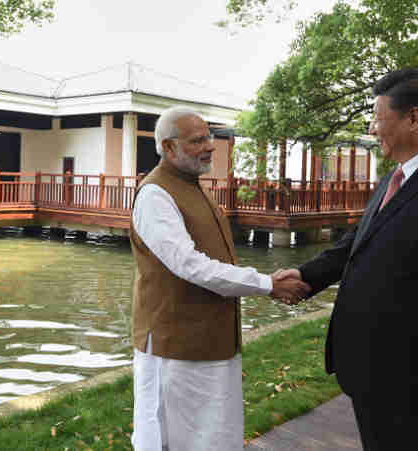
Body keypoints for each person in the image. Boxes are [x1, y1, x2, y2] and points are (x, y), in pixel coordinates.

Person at [277, 68, 418, 450]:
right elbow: (358, 243)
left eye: (378, 118)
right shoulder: (398, 176)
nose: (372, 129)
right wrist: (305, 275)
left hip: (416, 386)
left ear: (413, 118)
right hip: (374, 375)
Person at [130, 106, 311, 451]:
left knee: (214, 436)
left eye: (209, 137)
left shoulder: (192, 186)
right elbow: (189, 265)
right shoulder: (156, 195)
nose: (210, 146)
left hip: (211, 340)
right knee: (178, 439)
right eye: (198, 140)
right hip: (177, 346)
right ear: (169, 147)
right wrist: (267, 284)